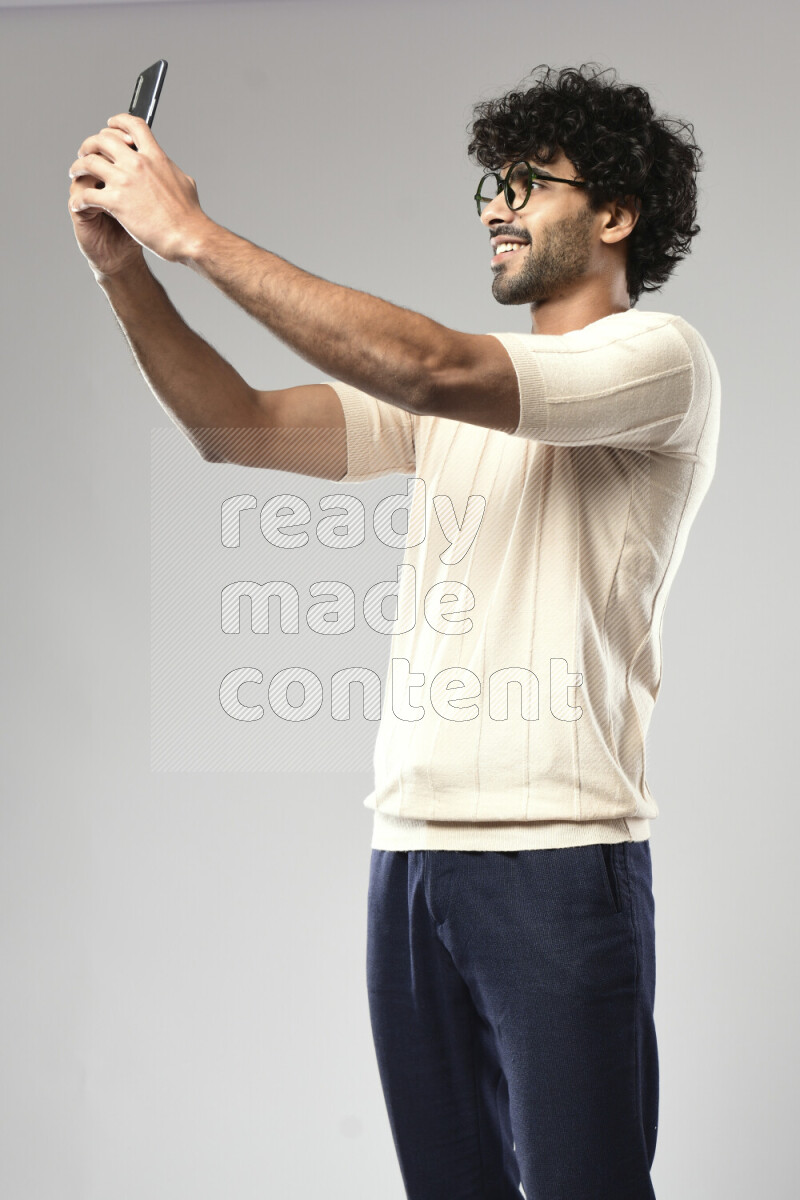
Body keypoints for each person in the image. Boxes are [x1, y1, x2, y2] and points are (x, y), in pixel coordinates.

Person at [68, 61, 719, 1200]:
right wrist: (125, 271)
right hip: (410, 862)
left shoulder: (653, 362)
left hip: (556, 865)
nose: (492, 205)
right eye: (488, 181)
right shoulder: (458, 398)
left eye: (530, 183)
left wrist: (194, 235)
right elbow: (235, 425)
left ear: (613, 216)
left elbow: (427, 366)